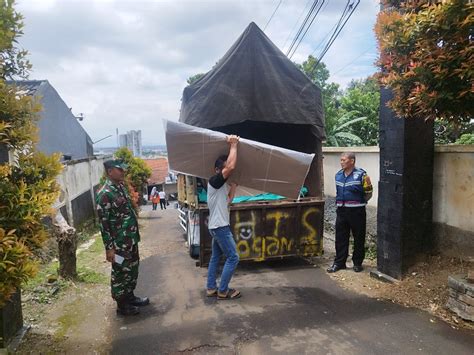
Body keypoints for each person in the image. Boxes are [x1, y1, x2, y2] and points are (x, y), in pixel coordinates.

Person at [96, 159, 150, 316]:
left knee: (132, 269)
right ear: (110, 171)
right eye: (120, 169)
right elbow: (104, 224)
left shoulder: (120, 187)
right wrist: (109, 249)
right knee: (121, 272)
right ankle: (122, 305)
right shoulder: (105, 193)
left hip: (130, 239)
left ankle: (130, 297)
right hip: (119, 244)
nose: (123, 172)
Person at [206, 135, 241, 300]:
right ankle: (223, 290)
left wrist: (234, 186)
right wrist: (233, 145)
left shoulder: (219, 186)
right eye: (224, 167)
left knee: (216, 257)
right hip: (220, 227)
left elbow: (228, 200)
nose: (228, 169)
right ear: (218, 170)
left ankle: (211, 288)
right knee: (233, 257)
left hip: (216, 226)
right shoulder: (214, 181)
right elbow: (232, 166)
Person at [327, 152, 373, 273]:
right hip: (341, 211)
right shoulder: (338, 175)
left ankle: (357, 263)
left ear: (352, 161)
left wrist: (359, 203)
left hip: (357, 211)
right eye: (341, 160)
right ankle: (339, 263)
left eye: (344, 160)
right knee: (340, 238)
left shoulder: (362, 175)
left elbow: (369, 192)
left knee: (358, 238)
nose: (341, 162)